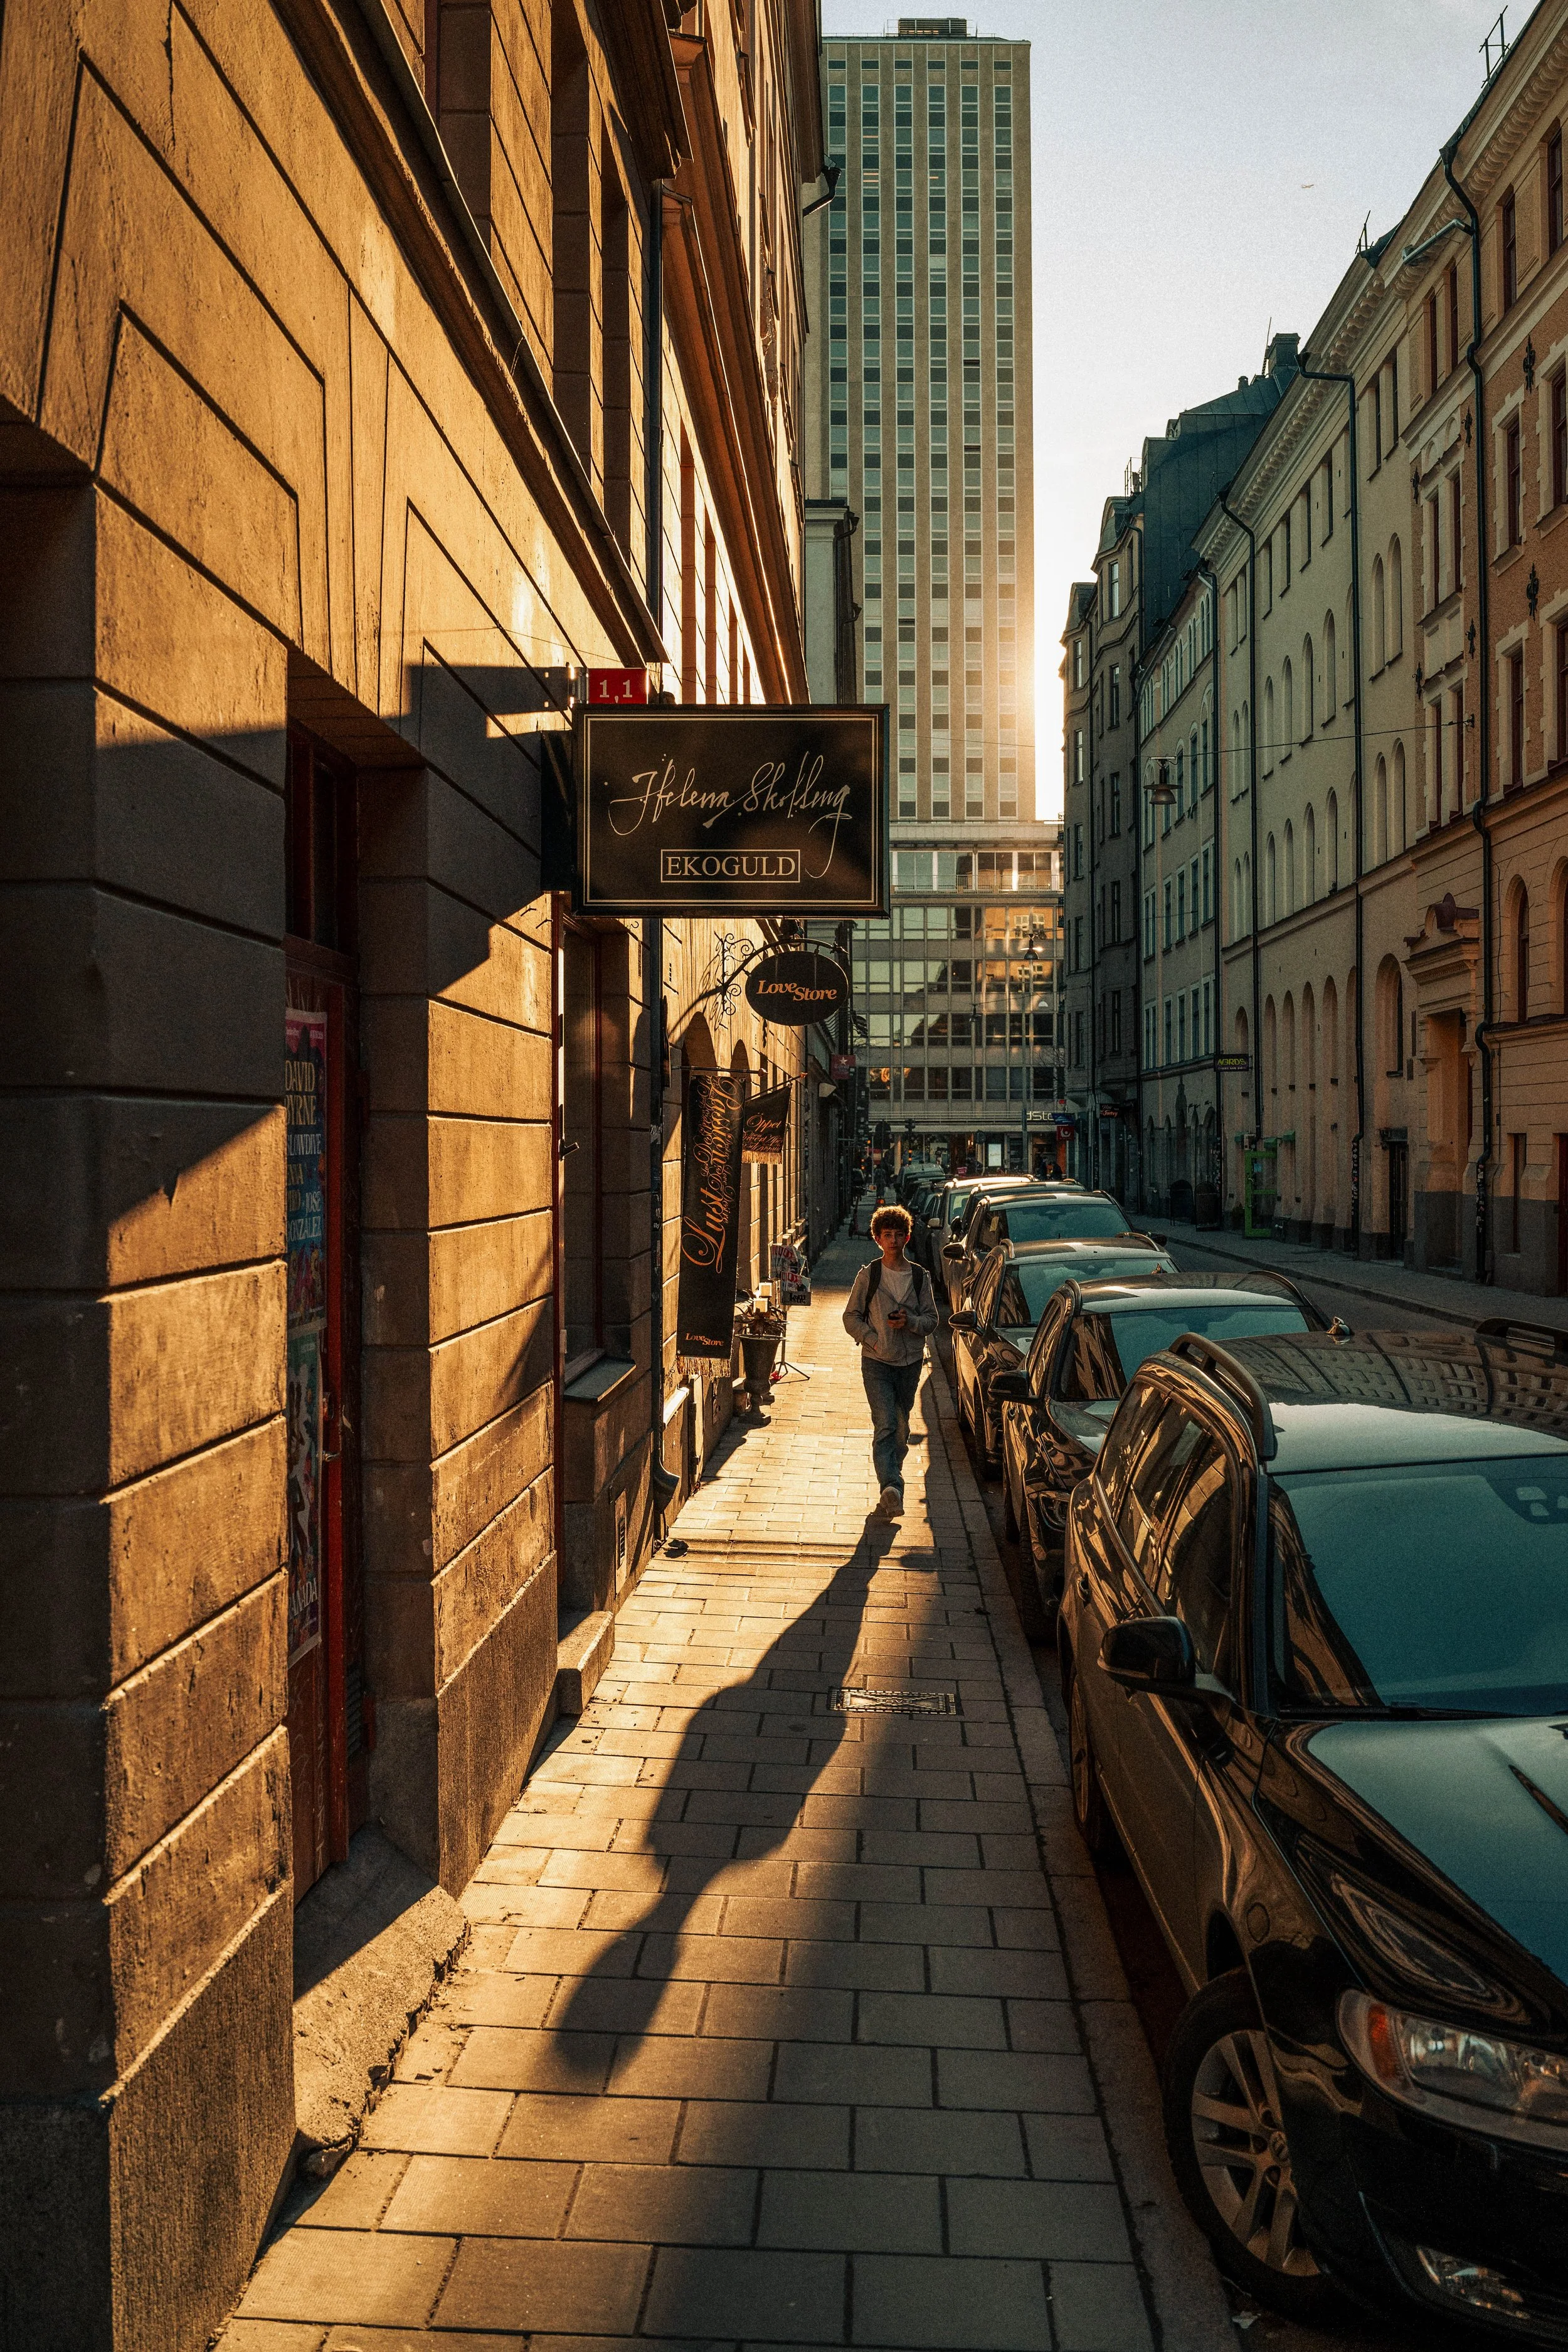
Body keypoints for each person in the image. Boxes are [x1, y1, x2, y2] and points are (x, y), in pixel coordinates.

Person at [842, 1203, 939, 1520]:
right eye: (888, 1235)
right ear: (878, 1239)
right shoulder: (869, 1276)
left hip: (909, 1363)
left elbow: (932, 1320)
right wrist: (872, 1338)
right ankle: (892, 1487)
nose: (894, 1240)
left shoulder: (920, 1277)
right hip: (876, 1362)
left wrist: (910, 1321)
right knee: (885, 1423)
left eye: (899, 1235)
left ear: (907, 1238)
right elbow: (851, 1317)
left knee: (901, 1426)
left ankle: (891, 1479)